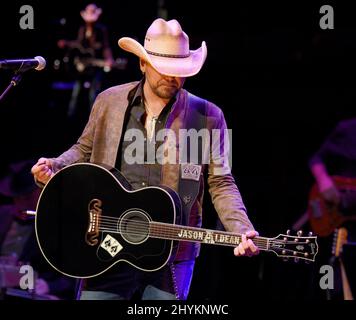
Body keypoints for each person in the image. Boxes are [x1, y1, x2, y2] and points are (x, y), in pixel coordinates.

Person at [31, 18, 259, 300]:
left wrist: (241, 228)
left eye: (178, 71)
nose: (171, 77)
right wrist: (57, 165)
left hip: (171, 250)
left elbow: (222, 182)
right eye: (163, 69)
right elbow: (83, 149)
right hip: (107, 241)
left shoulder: (209, 116)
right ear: (142, 64)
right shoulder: (109, 101)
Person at [0, 160, 76, 300]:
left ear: (42, 191)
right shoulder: (3, 215)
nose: (21, 203)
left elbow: (73, 275)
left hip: (30, 292)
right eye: (17, 197)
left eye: (28, 197)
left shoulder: (58, 225)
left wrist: (49, 286)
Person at [309, 118, 356, 299]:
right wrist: (323, 180)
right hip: (338, 221)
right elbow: (316, 158)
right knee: (330, 277)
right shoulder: (348, 128)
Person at [58, 3, 114, 117]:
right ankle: (71, 116)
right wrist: (67, 43)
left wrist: (109, 58)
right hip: (83, 66)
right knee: (76, 91)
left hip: (95, 65)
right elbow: (78, 44)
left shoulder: (101, 30)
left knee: (94, 94)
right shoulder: (82, 29)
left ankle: (93, 118)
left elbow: (106, 46)